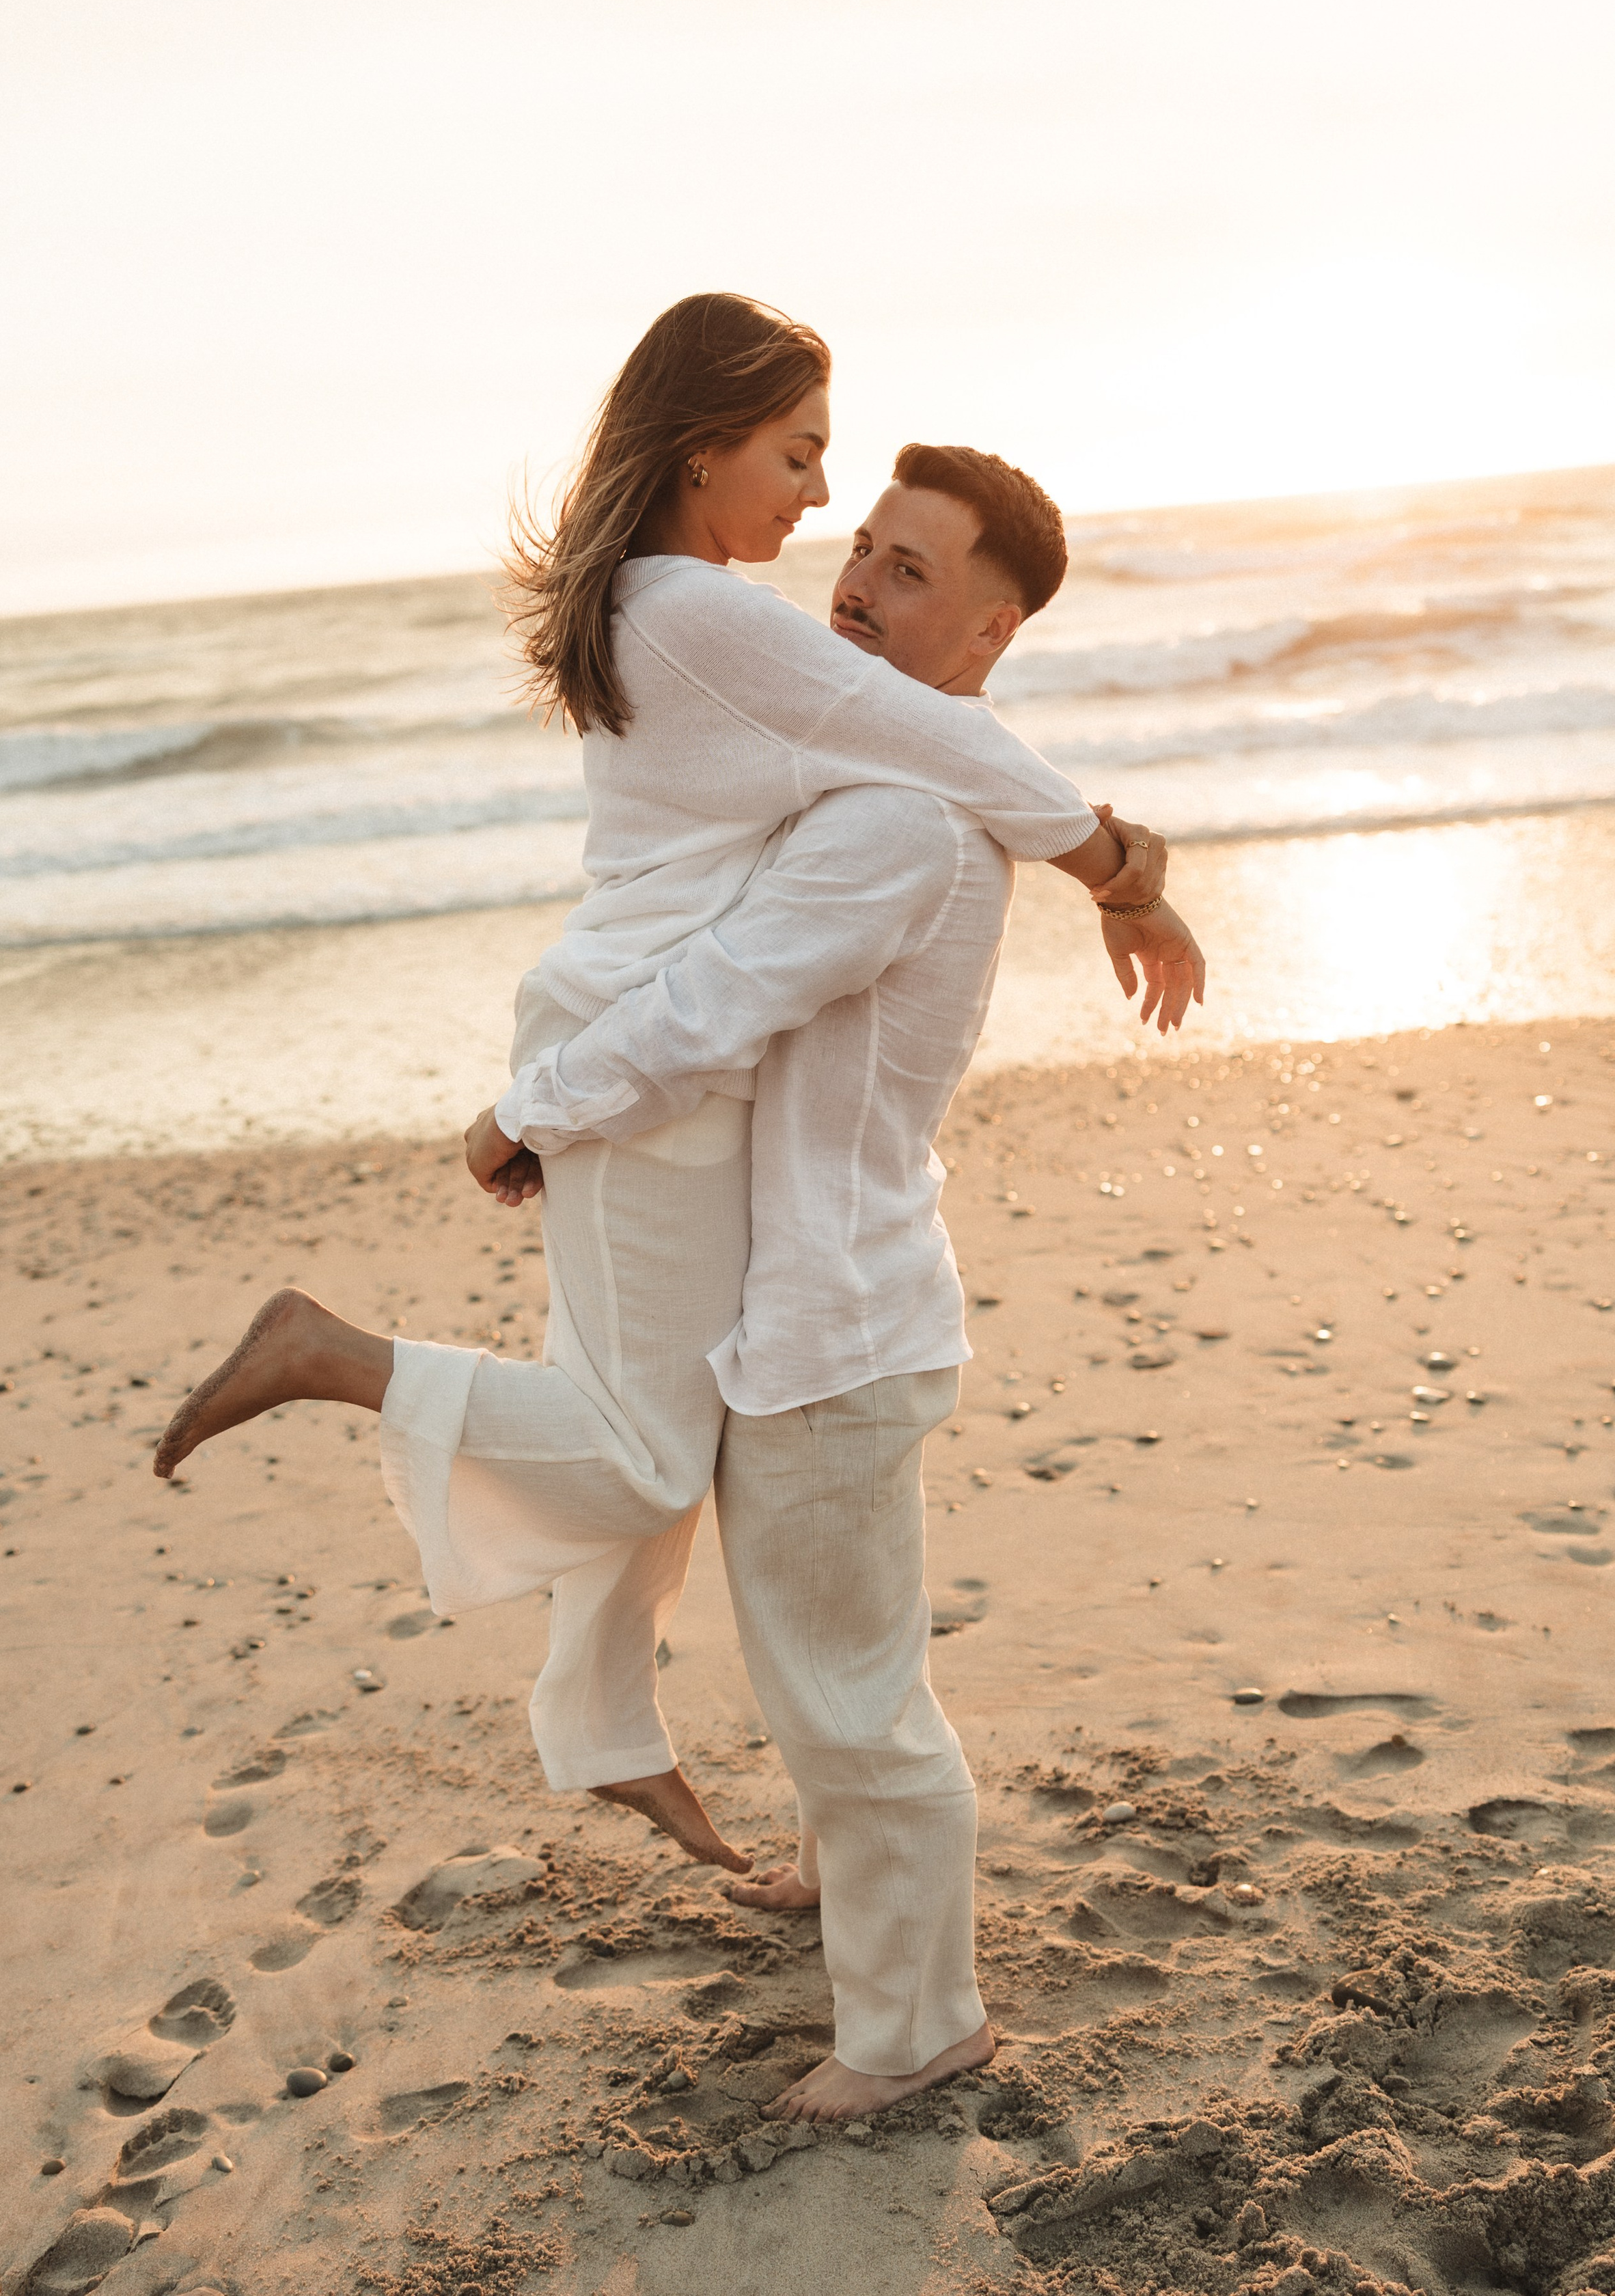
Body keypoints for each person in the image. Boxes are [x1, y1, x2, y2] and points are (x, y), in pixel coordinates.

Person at [152, 293, 1200, 1878]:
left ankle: (608, 1736)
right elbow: (941, 745)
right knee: (644, 1450)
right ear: (702, 445)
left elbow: (899, 749)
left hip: (614, 1030)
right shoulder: (705, 613)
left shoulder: (662, 604)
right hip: (639, 1053)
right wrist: (1124, 870)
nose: (816, 500)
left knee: (652, 1424)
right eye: (795, 454)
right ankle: (326, 1353)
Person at [465, 443, 1203, 2119]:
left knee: (853, 1706)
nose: (859, 583)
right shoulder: (872, 793)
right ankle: (845, 1881)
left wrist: (534, 1106)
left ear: (990, 635)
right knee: (829, 1661)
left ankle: (913, 2026)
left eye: (912, 570)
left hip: (830, 1327)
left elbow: (714, 1000)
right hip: (823, 1306)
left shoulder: (889, 825)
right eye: (859, 545)